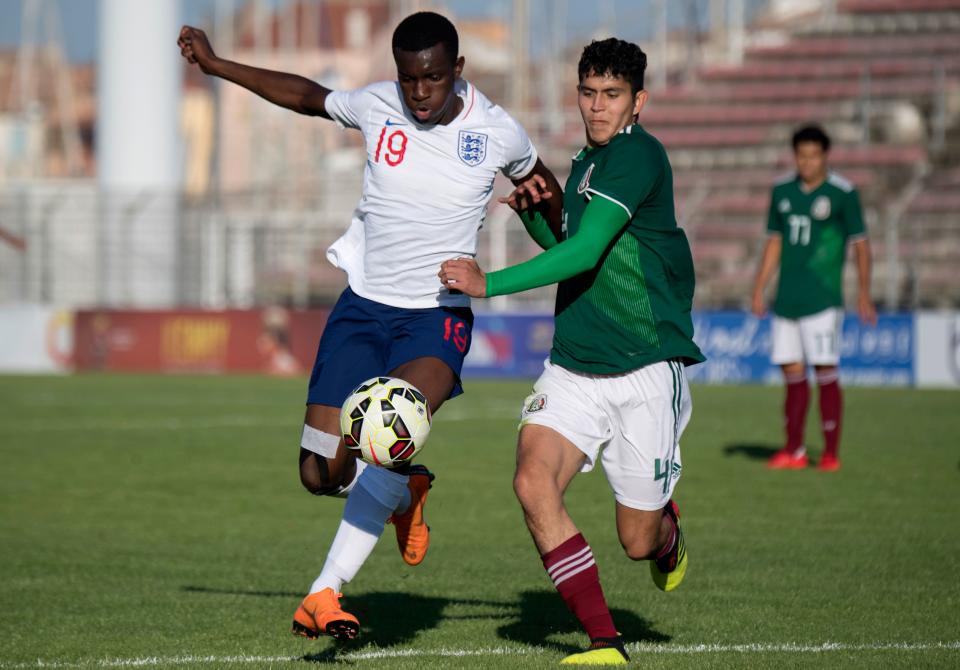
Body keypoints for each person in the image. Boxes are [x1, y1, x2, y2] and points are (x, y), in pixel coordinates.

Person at [178, 12, 562, 641]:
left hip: (435, 319)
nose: (418, 93)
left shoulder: (497, 132)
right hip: (361, 310)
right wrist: (218, 66)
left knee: (391, 432)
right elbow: (305, 96)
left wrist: (571, 243)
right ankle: (404, 493)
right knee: (317, 472)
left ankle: (324, 592)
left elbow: (548, 195)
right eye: (409, 79)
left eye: (433, 79)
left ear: (457, 71)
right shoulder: (378, 104)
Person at [440, 38, 704, 666]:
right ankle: (605, 644)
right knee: (532, 483)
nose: (596, 106)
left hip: (644, 366)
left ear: (638, 101)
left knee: (636, 542)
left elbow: (586, 255)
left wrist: (489, 284)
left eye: (611, 95)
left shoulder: (640, 157)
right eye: (588, 93)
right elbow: (570, 242)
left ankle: (667, 531)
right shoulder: (587, 162)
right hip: (574, 366)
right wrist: (536, 221)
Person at [751, 125, 876, 472]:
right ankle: (794, 450)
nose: (806, 162)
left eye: (813, 155)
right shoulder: (782, 192)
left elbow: (861, 246)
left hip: (823, 299)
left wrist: (865, 292)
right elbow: (774, 241)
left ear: (825, 156)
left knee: (824, 368)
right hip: (787, 299)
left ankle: (831, 452)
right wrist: (759, 287)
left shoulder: (842, 193)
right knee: (791, 371)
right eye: (801, 155)